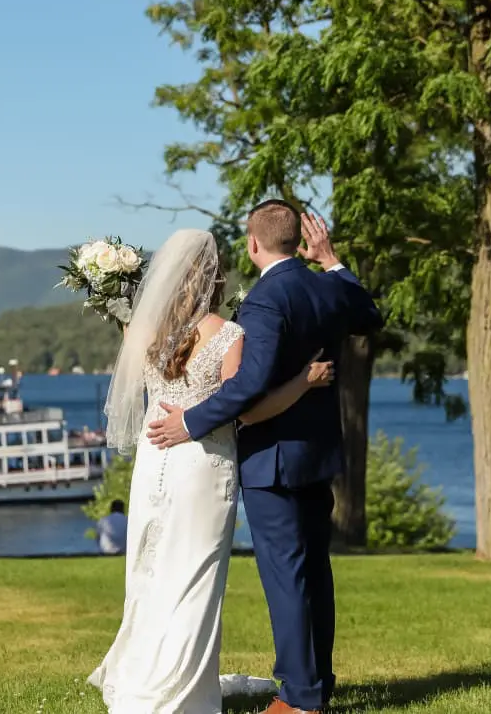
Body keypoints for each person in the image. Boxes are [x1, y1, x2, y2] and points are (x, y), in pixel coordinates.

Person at [88, 225, 354, 714]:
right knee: (195, 575)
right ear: (215, 278)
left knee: (149, 569)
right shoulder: (227, 333)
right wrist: (302, 381)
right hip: (202, 464)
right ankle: (183, 688)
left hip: (154, 459)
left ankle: (141, 675)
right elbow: (246, 410)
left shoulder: (141, 330)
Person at [146, 203, 383, 714]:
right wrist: (333, 260)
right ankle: (317, 685)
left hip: (273, 458)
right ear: (300, 242)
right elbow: (370, 315)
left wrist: (189, 423)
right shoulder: (326, 286)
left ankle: (299, 699)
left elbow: (250, 385)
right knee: (314, 572)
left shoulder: (262, 302)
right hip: (317, 453)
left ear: (254, 245)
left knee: (286, 577)